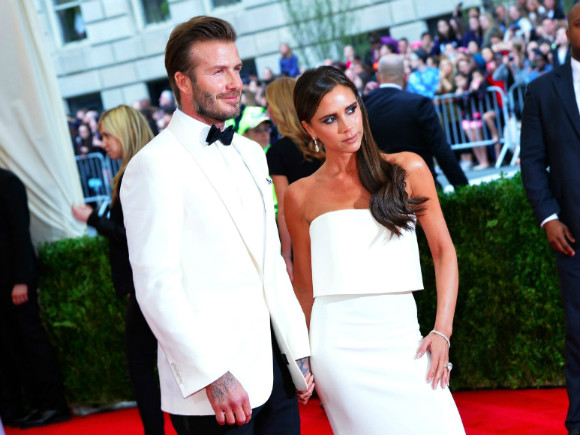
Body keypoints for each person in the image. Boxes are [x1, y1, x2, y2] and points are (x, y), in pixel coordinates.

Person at [120, 16, 313, 435]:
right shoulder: (153, 165)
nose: (235, 83)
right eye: (218, 71)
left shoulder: (251, 152)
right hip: (215, 389)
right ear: (183, 82)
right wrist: (212, 374)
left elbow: (270, 264)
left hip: (276, 373)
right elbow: (157, 287)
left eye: (237, 69)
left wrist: (298, 348)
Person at [285, 65, 465, 435]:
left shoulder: (407, 168)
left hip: (404, 339)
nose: (347, 126)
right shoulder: (299, 195)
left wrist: (442, 331)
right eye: (330, 119)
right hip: (338, 351)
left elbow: (444, 252)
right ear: (309, 128)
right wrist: (301, 357)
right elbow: (304, 286)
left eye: (351, 109)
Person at [71, 105, 164, 435]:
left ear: (125, 133)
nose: (102, 143)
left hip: (148, 284)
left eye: (107, 135)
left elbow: (132, 235)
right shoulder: (139, 168)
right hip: (146, 283)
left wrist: (93, 219)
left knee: (141, 365)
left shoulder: (136, 172)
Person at [520, 5, 580, 435]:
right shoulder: (542, 90)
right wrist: (548, 217)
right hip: (573, 235)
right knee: (579, 333)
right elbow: (531, 161)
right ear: (566, 31)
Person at [0, 168, 70, 429]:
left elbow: (20, 232)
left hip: (16, 281)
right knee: (12, 347)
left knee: (32, 342)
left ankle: (54, 405)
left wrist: (22, 279)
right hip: (2, 284)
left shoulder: (8, 182)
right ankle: (36, 405)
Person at [363, 54, 468, 190]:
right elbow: (440, 148)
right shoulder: (419, 104)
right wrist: (463, 188)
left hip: (381, 189)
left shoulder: (363, 105)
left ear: (378, 77)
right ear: (406, 76)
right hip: (421, 186)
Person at [264, 77, 324, 281]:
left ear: (279, 108)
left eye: (270, 104)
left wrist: (286, 255)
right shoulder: (323, 137)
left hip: (305, 237)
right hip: (337, 223)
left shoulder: (277, 152)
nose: (268, 110)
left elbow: (284, 209)